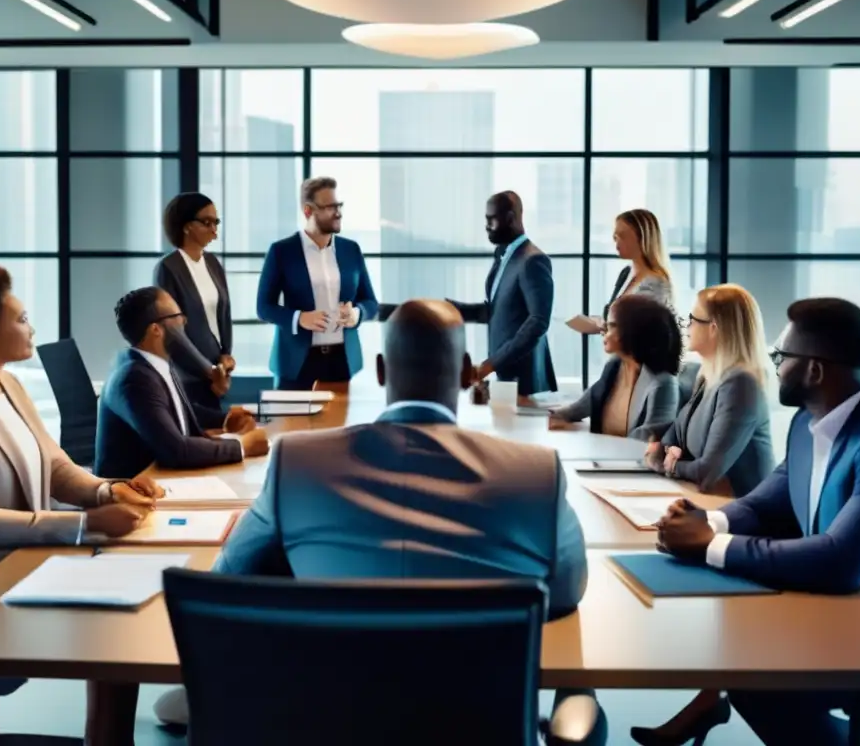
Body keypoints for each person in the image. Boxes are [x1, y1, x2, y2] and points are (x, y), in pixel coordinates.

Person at [154, 300, 601, 744]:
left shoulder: (300, 462)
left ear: (382, 370)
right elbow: (564, 591)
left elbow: (231, 579)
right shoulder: (534, 472)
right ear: (467, 373)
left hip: (326, 724)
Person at [634, 298, 860, 746]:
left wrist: (707, 546)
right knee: (743, 648)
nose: (774, 366)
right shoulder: (810, 421)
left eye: (782, 357)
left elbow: (841, 562)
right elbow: (765, 505)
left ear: (815, 370)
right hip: (843, 610)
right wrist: (708, 522)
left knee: (756, 665)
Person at [0, 266, 162, 718]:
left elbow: (55, 466)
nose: (32, 327)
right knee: (111, 624)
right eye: (22, 318)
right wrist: (85, 524)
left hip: (21, 563)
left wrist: (110, 491)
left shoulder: (10, 386)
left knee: (128, 607)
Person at [94, 287, 270, 479]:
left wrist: (224, 419)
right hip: (136, 491)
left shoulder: (155, 363)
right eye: (177, 315)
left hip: (165, 479)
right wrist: (242, 447)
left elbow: (177, 412)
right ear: (156, 330)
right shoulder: (133, 379)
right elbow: (176, 451)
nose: (184, 320)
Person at [645, 284, 775, 498]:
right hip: (706, 500)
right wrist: (669, 453)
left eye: (693, 319)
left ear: (714, 328)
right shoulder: (708, 376)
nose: (686, 326)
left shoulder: (741, 385)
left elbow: (706, 472)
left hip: (742, 513)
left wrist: (669, 464)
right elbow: (673, 435)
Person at [255, 177, 378, 390]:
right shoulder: (282, 252)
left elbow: (371, 302)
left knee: (339, 424)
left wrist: (357, 314)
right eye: (330, 207)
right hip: (296, 364)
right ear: (308, 211)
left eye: (338, 205)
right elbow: (264, 307)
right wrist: (299, 318)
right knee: (291, 424)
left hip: (342, 362)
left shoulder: (351, 250)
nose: (338, 213)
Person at [448, 191, 557, 397]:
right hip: (504, 378)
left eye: (491, 220)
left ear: (509, 218)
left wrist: (490, 364)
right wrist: (453, 311)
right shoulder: (504, 255)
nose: (487, 226)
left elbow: (538, 322)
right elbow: (497, 310)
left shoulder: (533, 261)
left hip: (525, 381)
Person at [549, 294, 681, 439]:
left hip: (633, 460)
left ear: (632, 330)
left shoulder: (662, 383)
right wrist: (550, 416)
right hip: (602, 457)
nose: (603, 331)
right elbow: (578, 408)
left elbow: (647, 440)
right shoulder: (614, 367)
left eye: (611, 326)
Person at [154, 192, 234, 412]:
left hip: (217, 371)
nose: (214, 229)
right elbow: (173, 332)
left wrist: (226, 357)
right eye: (206, 222)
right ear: (186, 226)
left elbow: (223, 314)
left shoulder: (212, 263)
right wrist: (209, 371)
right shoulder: (169, 268)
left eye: (216, 222)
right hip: (188, 376)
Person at [602, 209, 674, 322]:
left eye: (622, 236)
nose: (617, 244)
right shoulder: (626, 273)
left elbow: (649, 329)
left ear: (643, 237)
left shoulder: (656, 283)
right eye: (615, 238)